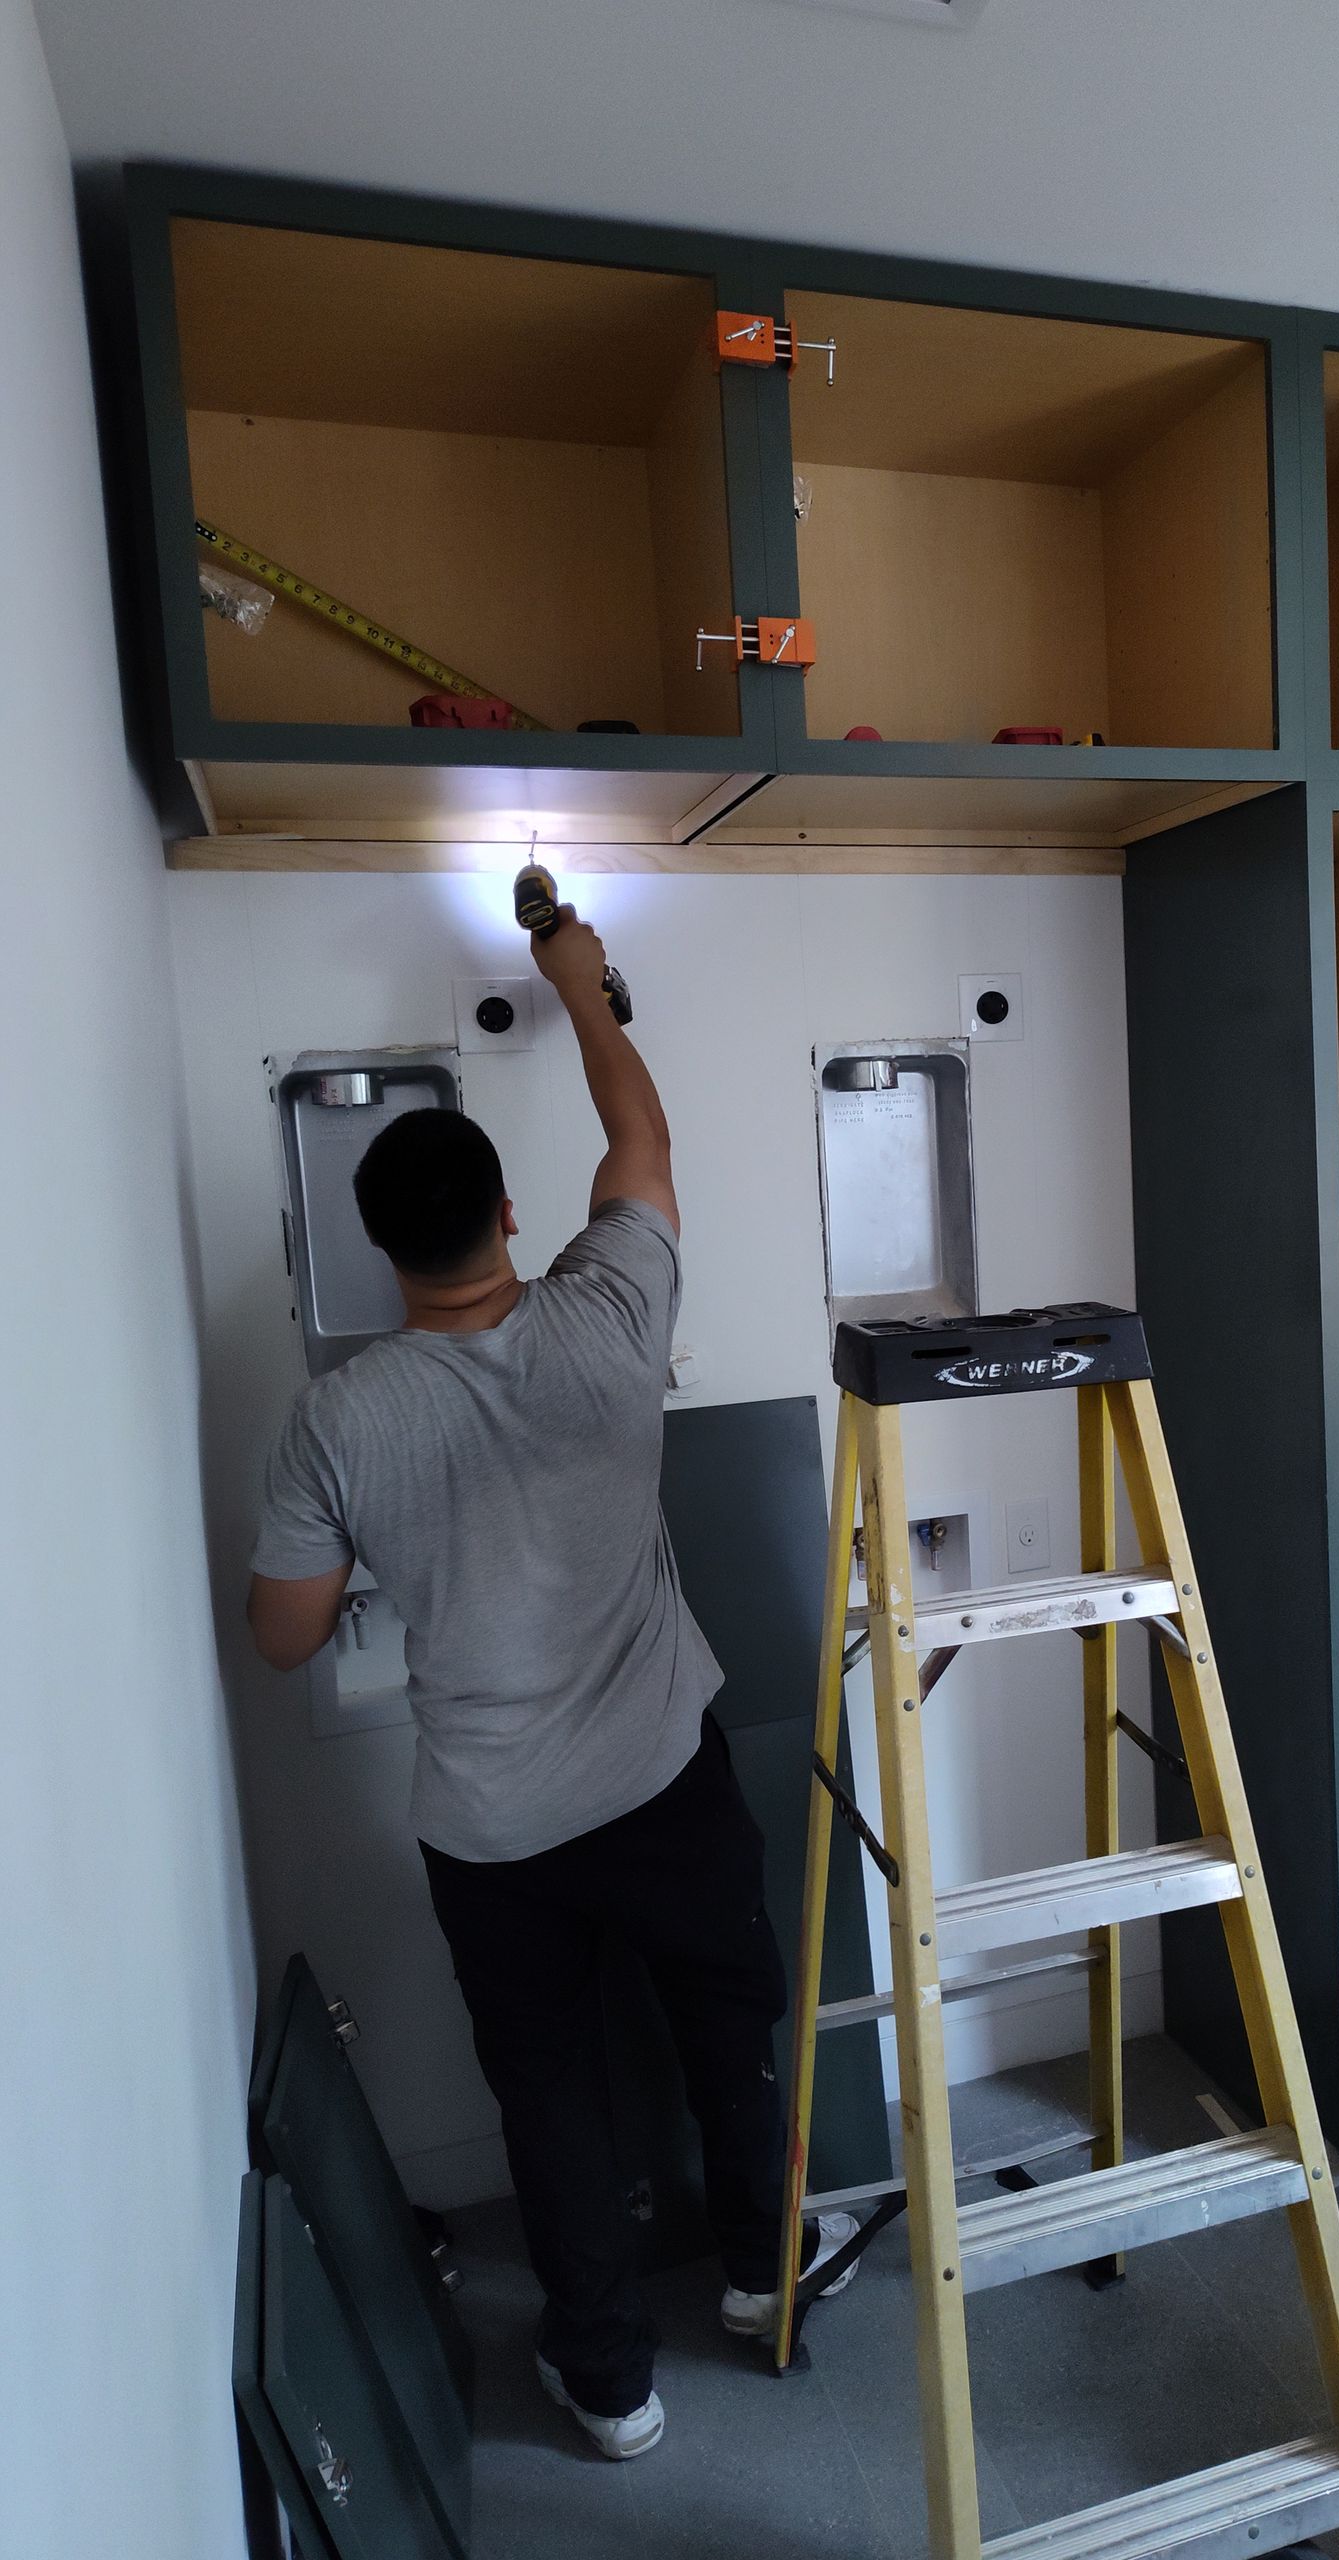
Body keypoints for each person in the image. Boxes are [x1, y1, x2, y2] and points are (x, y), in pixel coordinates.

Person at [245, 905, 856, 2459]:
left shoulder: (339, 1422)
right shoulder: (607, 1312)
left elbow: (285, 1635)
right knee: (731, 2038)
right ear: (512, 1218)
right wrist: (582, 992)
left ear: (384, 1252)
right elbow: (640, 1137)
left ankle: (609, 2383)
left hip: (495, 1835)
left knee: (554, 2102)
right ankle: (757, 2284)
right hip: (665, 1777)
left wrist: (391, 1546)